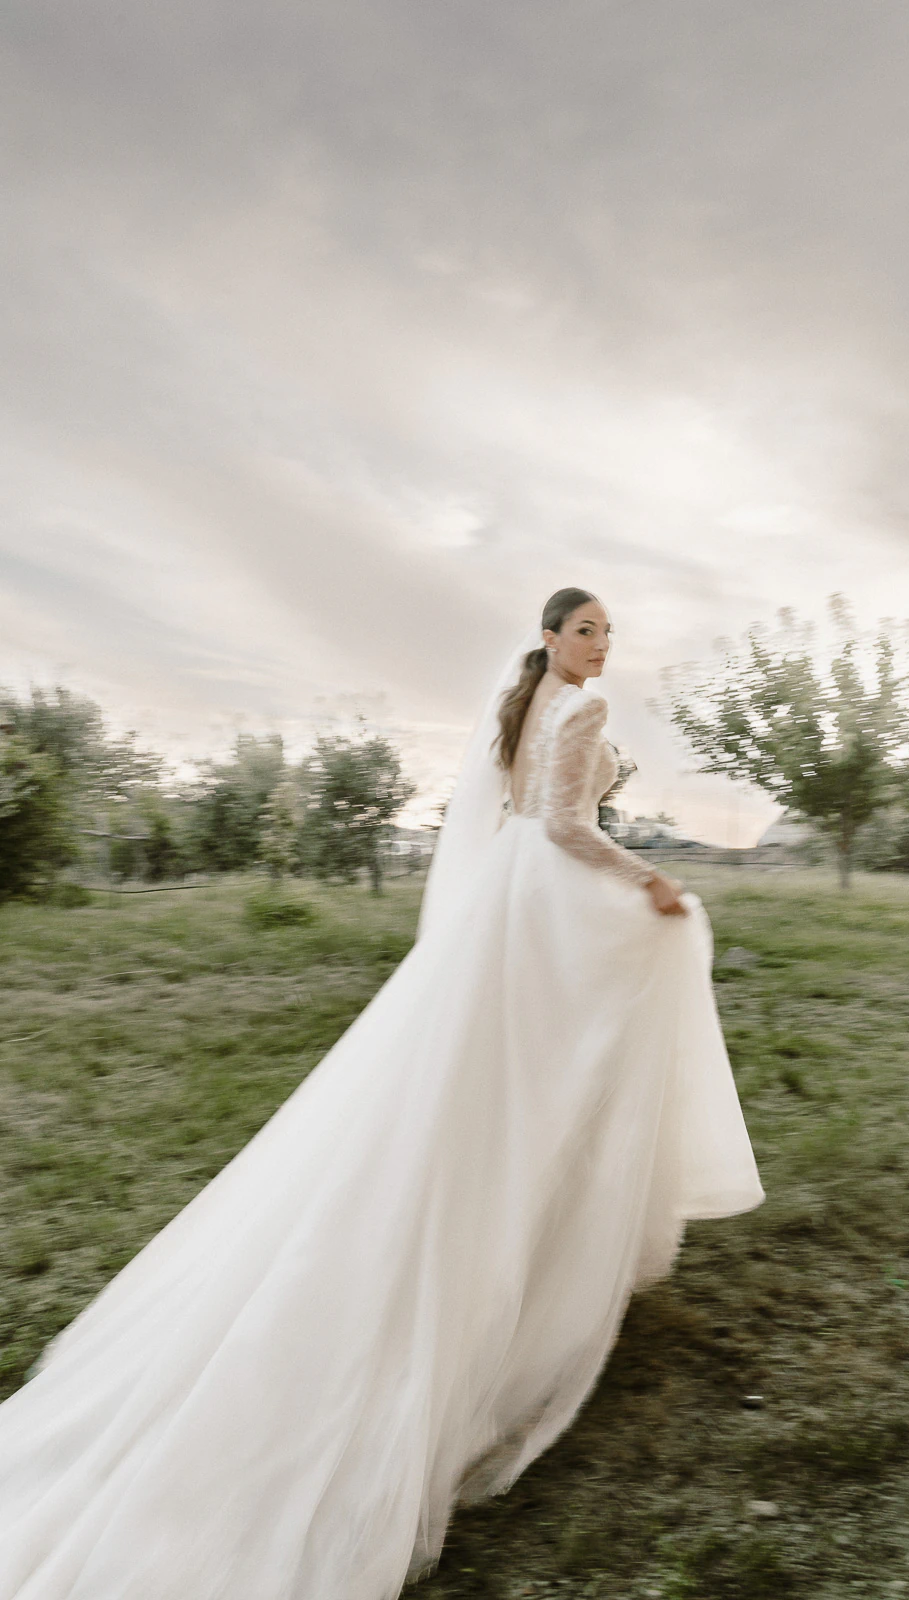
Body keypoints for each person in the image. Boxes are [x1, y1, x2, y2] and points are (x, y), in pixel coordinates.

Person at [0, 587, 763, 1600]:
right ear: (550, 636)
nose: (600, 647)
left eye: (607, 634)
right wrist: (651, 881)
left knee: (492, 1072)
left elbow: (517, 812)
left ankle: (534, 1214)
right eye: (586, 630)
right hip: (549, 892)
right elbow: (568, 827)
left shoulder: (522, 698)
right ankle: (551, 1235)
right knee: (590, 1026)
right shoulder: (577, 708)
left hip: (511, 899)